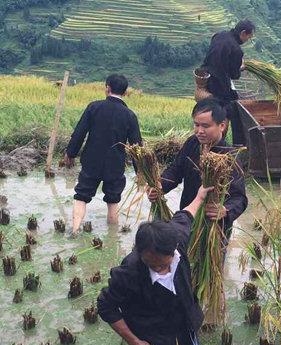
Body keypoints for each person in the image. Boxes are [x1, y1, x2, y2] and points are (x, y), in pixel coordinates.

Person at [97, 185, 212, 345]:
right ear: (141, 254)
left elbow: (186, 216)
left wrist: (200, 196)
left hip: (187, 326)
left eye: (165, 264)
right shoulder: (129, 271)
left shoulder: (177, 240)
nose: (161, 270)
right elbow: (105, 305)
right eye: (154, 266)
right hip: (154, 343)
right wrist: (135, 343)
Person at [147, 98, 247, 238]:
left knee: (210, 260)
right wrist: (160, 185)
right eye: (196, 125)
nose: (199, 131)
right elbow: (176, 170)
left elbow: (240, 198)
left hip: (214, 227)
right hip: (188, 217)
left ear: (222, 126)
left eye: (205, 126)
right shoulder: (192, 143)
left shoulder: (229, 156)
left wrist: (225, 210)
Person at [64, 74, 142, 234]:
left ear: (107, 88)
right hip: (115, 165)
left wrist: (70, 153)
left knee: (81, 196)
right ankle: (113, 237)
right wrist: (140, 171)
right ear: (125, 93)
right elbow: (136, 147)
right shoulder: (129, 115)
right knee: (113, 200)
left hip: (91, 162)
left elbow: (79, 132)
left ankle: (75, 229)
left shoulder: (94, 107)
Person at [202, 19, 255, 146]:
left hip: (206, 78)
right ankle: (238, 145)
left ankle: (214, 142)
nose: (248, 39)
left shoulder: (219, 35)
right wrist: (240, 67)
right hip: (219, 84)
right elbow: (234, 75)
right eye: (249, 36)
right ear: (243, 33)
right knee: (235, 110)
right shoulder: (237, 50)